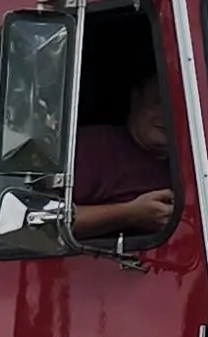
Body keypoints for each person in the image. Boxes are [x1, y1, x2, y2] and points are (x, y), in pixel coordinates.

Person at [71, 71, 177, 240]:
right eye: (158, 102)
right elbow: (45, 219)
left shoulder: (201, 163)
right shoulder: (92, 146)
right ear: (136, 100)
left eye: (176, 107)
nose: (166, 115)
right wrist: (129, 214)